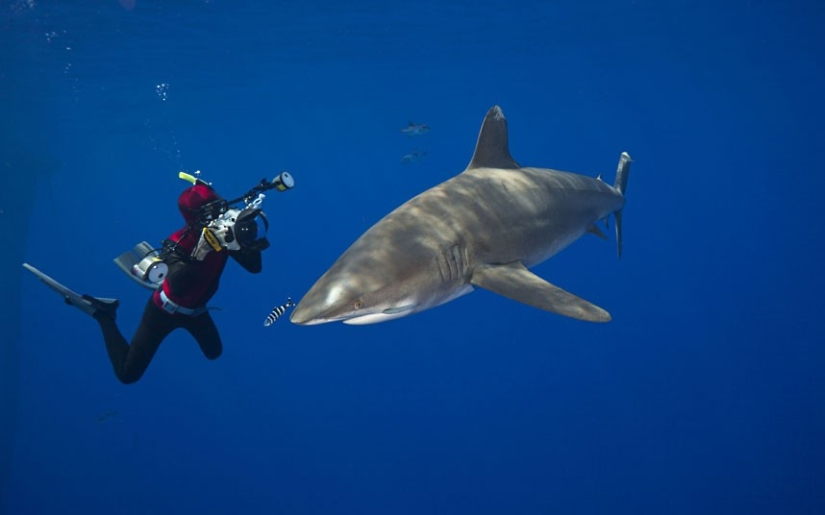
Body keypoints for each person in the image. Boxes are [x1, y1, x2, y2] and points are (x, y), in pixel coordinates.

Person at [83, 180, 269, 384]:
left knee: (214, 352)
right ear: (197, 217)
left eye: (221, 207)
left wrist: (248, 236)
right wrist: (200, 253)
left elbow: (254, 267)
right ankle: (104, 315)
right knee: (127, 374)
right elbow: (180, 288)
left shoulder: (225, 236)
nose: (220, 216)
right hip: (163, 311)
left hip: (197, 311)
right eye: (213, 211)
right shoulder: (176, 244)